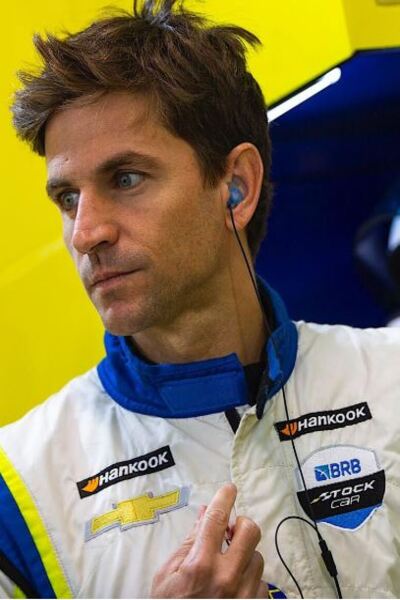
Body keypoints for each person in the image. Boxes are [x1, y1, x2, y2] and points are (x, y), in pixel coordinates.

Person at [1, 0, 400, 598]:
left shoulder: (389, 380)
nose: (85, 233)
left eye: (125, 179)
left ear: (235, 187)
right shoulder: (19, 487)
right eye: (68, 198)